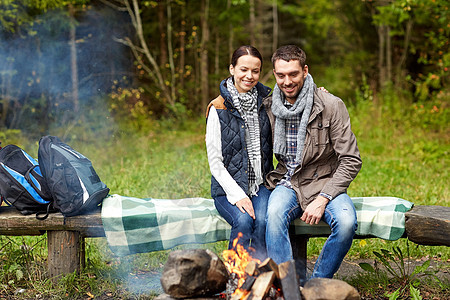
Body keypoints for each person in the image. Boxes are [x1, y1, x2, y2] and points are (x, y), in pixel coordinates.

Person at [264, 45, 362, 279]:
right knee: (274, 215)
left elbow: (351, 159)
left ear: (305, 71)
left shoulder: (330, 105)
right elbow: (241, 88)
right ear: (275, 74)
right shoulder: (268, 106)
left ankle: (317, 285)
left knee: (347, 222)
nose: (287, 81)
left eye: (294, 74)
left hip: (325, 182)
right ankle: (288, 287)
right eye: (281, 75)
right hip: (288, 181)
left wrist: (323, 198)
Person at [205, 46, 273, 259]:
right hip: (228, 189)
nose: (249, 76)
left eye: (255, 71)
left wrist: (320, 94)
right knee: (244, 220)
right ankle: (235, 280)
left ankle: (262, 275)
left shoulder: (267, 102)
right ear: (232, 69)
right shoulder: (218, 108)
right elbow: (215, 162)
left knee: (263, 220)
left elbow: (295, 98)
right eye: (244, 69)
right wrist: (238, 196)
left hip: (260, 184)